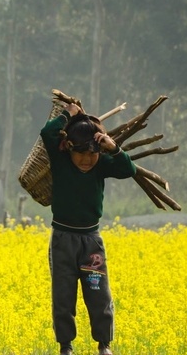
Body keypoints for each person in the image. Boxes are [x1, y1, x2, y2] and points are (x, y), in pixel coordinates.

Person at [40, 102, 137, 355]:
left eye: (92, 154)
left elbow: (129, 170)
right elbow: (48, 132)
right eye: (81, 154)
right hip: (63, 240)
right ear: (68, 147)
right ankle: (65, 346)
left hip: (91, 241)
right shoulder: (61, 160)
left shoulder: (101, 164)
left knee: (99, 294)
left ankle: (104, 344)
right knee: (63, 296)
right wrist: (68, 114)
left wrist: (113, 148)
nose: (86, 160)